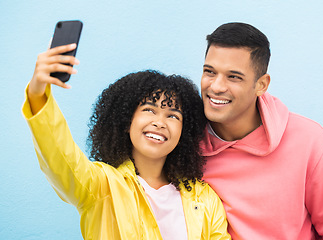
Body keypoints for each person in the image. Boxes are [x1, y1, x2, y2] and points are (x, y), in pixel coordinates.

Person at [22, 44, 231, 239]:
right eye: (149, 110)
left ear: (184, 132)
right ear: (126, 121)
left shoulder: (205, 200)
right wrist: (37, 94)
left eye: (173, 116)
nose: (160, 122)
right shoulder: (101, 185)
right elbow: (61, 158)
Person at [200, 22, 323, 239]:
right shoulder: (183, 143)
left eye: (233, 76)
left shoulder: (309, 141)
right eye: (209, 72)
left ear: (261, 84)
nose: (216, 86)